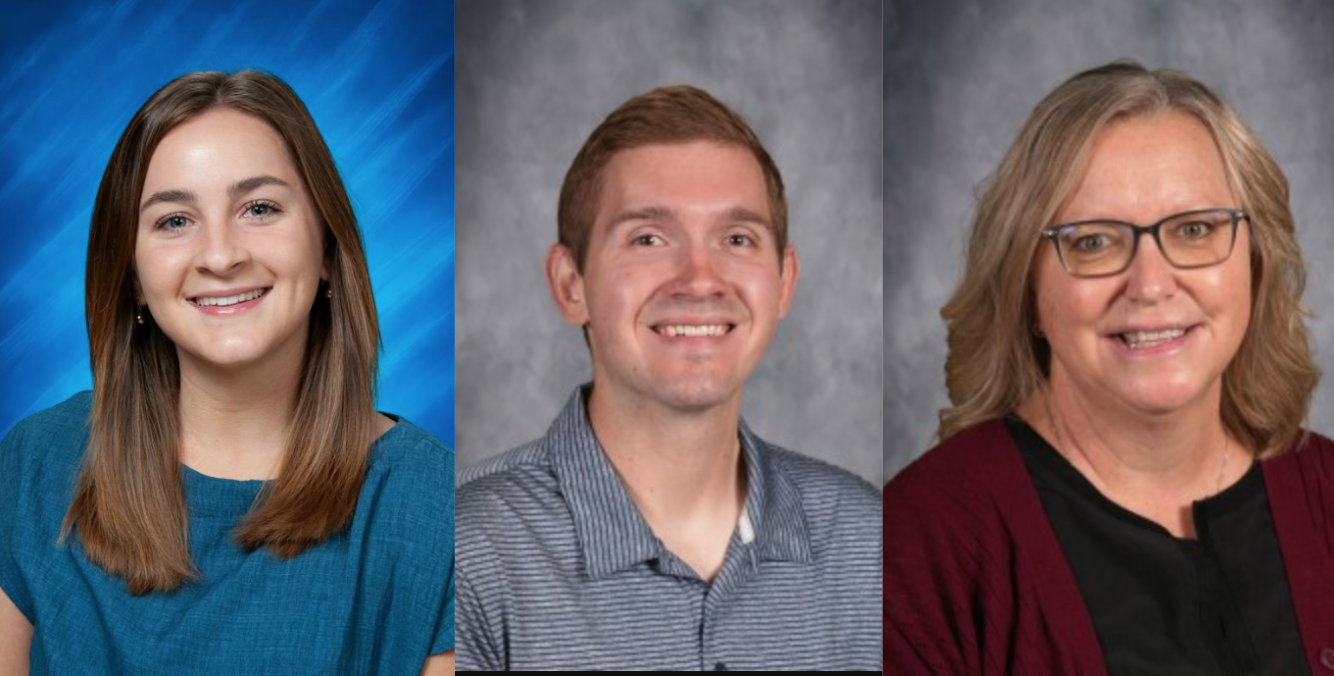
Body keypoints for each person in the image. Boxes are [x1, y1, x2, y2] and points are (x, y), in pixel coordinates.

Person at [883, 61, 1330, 675]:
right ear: (1026, 285)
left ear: (1254, 262)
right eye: (1093, 241)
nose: (1149, 285)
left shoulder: (1328, 494)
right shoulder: (919, 544)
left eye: (1195, 229)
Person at [0, 71, 454, 675]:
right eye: (174, 221)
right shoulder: (36, 465)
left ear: (325, 246)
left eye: (259, 208)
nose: (220, 256)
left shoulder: (438, 510)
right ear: (133, 275)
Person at [455, 85, 881, 671]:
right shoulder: (468, 549)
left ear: (783, 283)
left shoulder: (868, 540)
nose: (700, 279)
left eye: (737, 239)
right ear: (570, 284)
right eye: (649, 238)